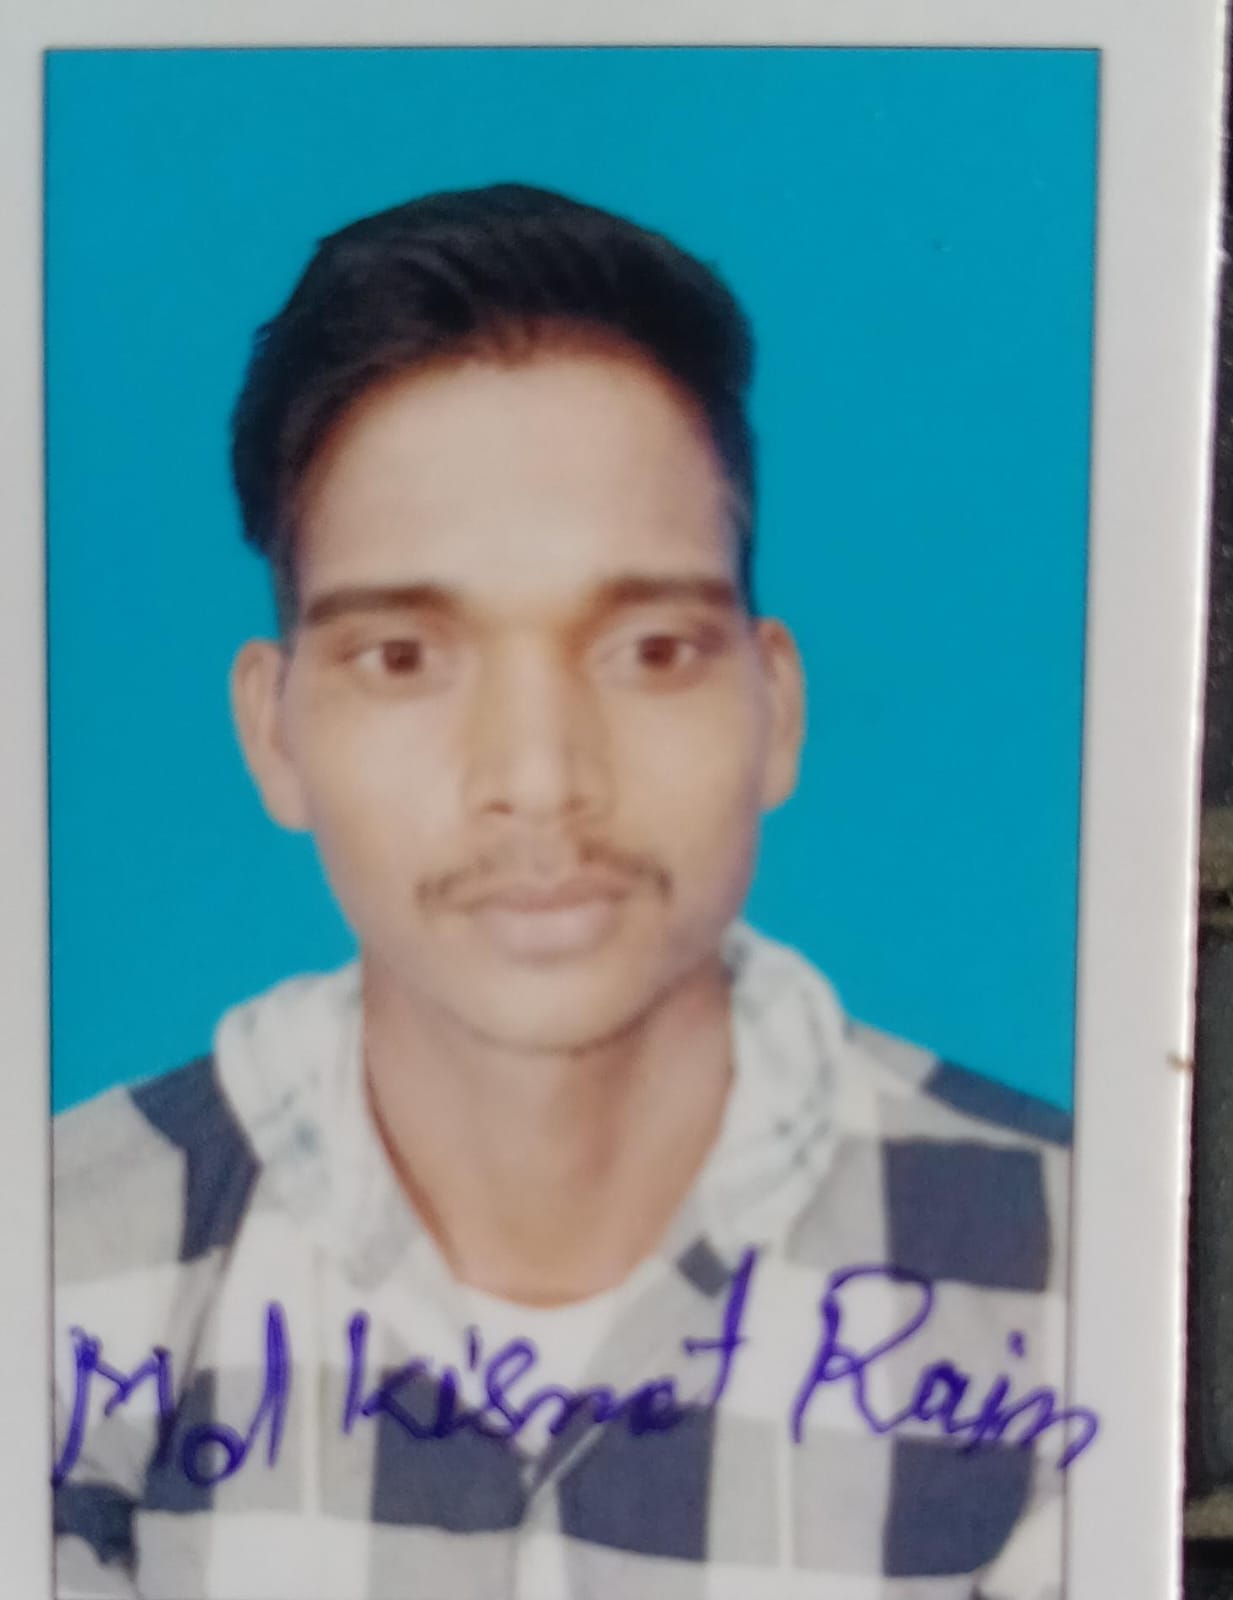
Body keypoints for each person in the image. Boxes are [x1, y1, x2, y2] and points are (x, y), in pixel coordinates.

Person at [52, 183, 1083, 1600]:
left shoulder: (1081, 1265)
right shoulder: (55, 1264)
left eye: (650, 649)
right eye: (403, 658)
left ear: (775, 708)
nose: (538, 780)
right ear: (273, 733)